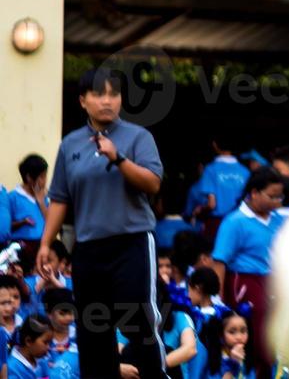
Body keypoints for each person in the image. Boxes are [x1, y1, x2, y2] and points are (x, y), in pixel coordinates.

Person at [38, 67, 169, 379]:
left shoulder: (139, 137)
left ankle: (155, 375)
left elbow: (152, 184)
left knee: (137, 320)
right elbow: (59, 198)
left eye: (114, 94)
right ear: (83, 101)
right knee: (93, 328)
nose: (107, 101)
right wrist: (45, 244)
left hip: (133, 241)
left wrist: (118, 158)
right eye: (99, 94)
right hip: (88, 248)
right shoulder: (70, 144)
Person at [211, 167, 285, 379]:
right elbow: (220, 262)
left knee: (274, 337)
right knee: (256, 339)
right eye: (272, 196)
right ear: (254, 193)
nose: (277, 201)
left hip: (272, 283)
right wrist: (218, 299)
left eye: (280, 196)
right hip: (245, 283)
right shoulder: (234, 222)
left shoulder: (278, 220)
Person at [191, 143, 248, 239]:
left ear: (215, 145)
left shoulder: (210, 169)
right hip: (241, 223)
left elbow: (211, 204)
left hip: (218, 224)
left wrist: (199, 210)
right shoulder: (245, 171)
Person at [8, 155, 49, 263]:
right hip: (22, 249)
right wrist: (22, 222)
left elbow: (51, 222)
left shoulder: (45, 197)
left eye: (45, 176)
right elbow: (6, 226)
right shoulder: (13, 197)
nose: (44, 181)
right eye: (42, 177)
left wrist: (41, 202)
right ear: (29, 178)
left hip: (43, 247)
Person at [6, 313, 53, 379]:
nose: (48, 347)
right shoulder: (12, 368)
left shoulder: (42, 359)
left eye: (50, 343)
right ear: (28, 341)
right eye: (45, 342)